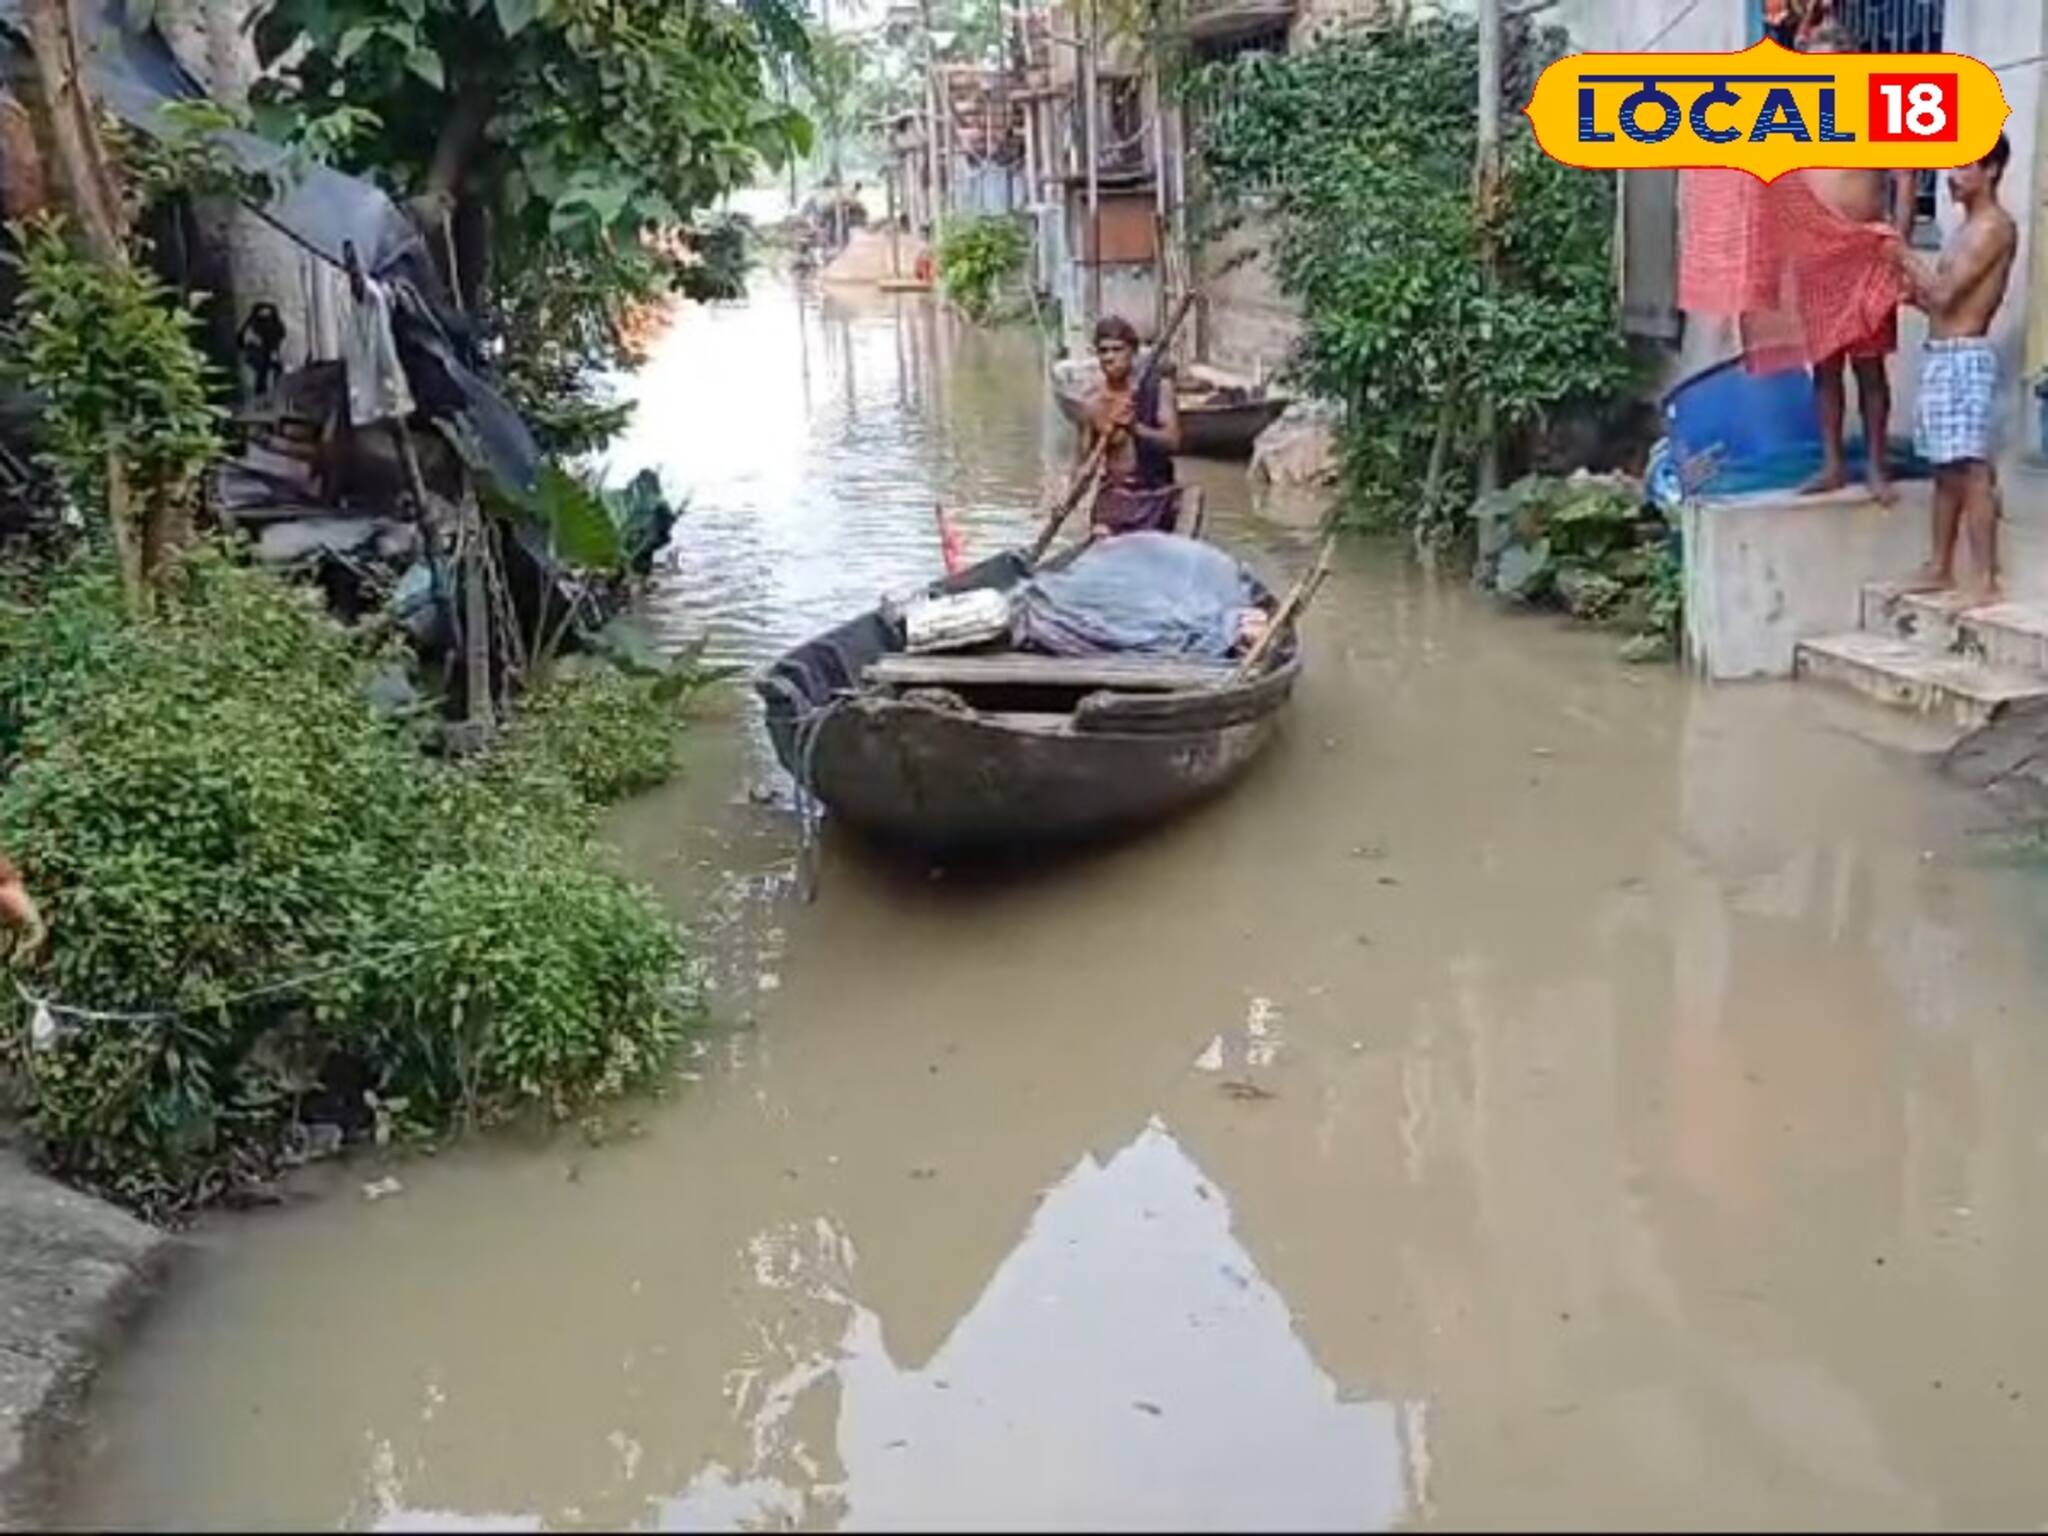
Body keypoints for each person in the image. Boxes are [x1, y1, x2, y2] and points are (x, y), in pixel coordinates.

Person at [1889, 132, 2018, 602]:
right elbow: (1940, 306)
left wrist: (1902, 253)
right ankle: (1940, 565)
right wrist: (1909, 291)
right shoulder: (1965, 228)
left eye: (1964, 166)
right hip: (1945, 354)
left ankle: (1984, 578)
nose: (1951, 177)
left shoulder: (1993, 228)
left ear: (1991, 171)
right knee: (1945, 469)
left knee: (1973, 469)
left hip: (1966, 357)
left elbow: (1946, 295)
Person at [1798, 22, 1918, 502]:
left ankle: (1875, 466)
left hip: (1868, 253)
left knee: (1869, 367)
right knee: (1824, 367)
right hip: (1816, 256)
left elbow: (1904, 181)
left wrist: (1900, 247)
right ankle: (1831, 465)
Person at [1078, 315, 1182, 536]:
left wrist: (1135, 428)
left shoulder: (1158, 389)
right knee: (1102, 537)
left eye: (1117, 350)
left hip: (1154, 497)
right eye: (1103, 351)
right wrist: (1066, 496)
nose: (1109, 357)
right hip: (1113, 501)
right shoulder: (1093, 402)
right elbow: (1083, 463)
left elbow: (1173, 441)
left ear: (1132, 352)